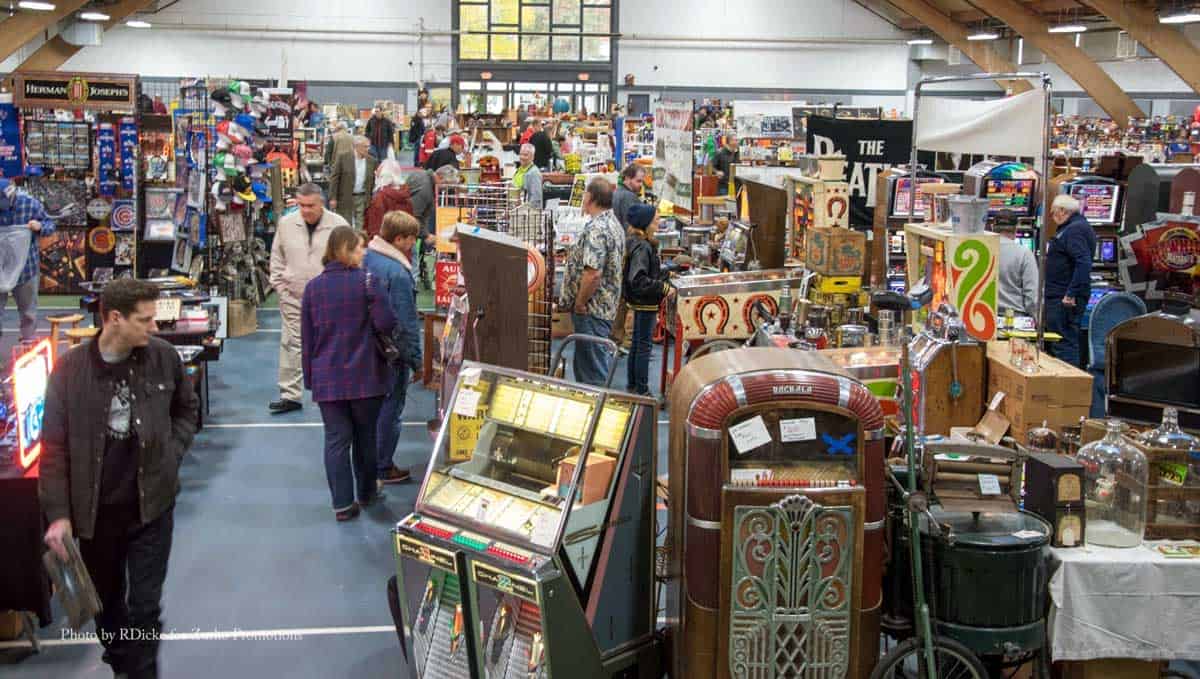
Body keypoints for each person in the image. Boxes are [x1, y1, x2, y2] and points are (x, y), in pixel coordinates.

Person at [41, 278, 199, 679]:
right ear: (114, 319)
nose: (155, 328)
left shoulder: (164, 359)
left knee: (145, 608)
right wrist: (59, 515)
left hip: (152, 506)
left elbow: (186, 410)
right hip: (97, 515)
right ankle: (122, 662)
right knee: (109, 605)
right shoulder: (69, 371)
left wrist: (171, 454)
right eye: (145, 320)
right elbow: (54, 448)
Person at [302, 227, 397, 521]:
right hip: (366, 375)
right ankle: (367, 493)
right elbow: (387, 323)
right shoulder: (369, 282)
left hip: (327, 378)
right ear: (345, 250)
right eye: (359, 248)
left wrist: (310, 379)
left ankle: (342, 505)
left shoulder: (313, 289)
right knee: (365, 438)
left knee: (336, 440)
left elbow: (307, 340)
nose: (364, 252)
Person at [268, 183, 348, 414]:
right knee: (291, 344)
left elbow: (349, 260)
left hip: (329, 300)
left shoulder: (339, 225)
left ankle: (333, 390)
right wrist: (281, 288)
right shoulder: (286, 224)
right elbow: (277, 257)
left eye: (310, 205)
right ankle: (290, 395)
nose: (305, 210)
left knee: (331, 344)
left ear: (321, 203)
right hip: (293, 296)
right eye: (301, 205)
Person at [364, 211, 423, 485]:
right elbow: (406, 322)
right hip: (392, 354)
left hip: (366, 349)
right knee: (391, 408)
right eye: (411, 239)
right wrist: (416, 361)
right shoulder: (398, 273)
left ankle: (367, 462)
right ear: (399, 239)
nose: (413, 244)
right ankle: (384, 466)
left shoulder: (367, 258)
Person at [559, 178, 625, 386]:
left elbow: (593, 274)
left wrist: (579, 302)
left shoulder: (598, 228)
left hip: (592, 310)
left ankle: (597, 413)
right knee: (589, 364)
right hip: (604, 307)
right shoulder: (614, 223)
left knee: (593, 371)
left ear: (590, 198)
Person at [623, 204, 670, 397]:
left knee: (637, 343)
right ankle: (641, 390)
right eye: (655, 219)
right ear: (646, 222)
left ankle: (633, 385)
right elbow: (639, 279)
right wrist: (664, 287)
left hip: (639, 302)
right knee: (643, 346)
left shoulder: (636, 241)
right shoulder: (643, 246)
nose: (658, 222)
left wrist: (666, 271)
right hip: (645, 302)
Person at [0, 179, 54, 346]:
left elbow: (50, 225)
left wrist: (39, 226)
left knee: (28, 312)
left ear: (11, 196)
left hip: (26, 268)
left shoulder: (30, 204)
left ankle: (28, 347)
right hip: (0, 269)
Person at [1044, 193, 1095, 367]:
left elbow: (1083, 262)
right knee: (1062, 341)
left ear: (1063, 211)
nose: (1052, 217)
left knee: (1063, 343)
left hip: (1064, 297)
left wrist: (1071, 293)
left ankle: (1068, 385)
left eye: (1053, 212)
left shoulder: (1074, 230)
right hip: (1062, 294)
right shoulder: (1077, 226)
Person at [407, 164, 461, 288]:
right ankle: (411, 291)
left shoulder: (422, 175)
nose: (446, 189)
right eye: (447, 185)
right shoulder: (425, 190)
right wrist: (425, 235)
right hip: (407, 229)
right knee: (412, 262)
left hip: (406, 225)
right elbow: (414, 216)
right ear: (440, 178)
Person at [328, 135, 378, 228]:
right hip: (345, 197)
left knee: (361, 225)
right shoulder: (343, 157)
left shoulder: (372, 161)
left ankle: (359, 241)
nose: (368, 149)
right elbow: (334, 178)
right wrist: (333, 197)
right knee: (345, 224)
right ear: (357, 146)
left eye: (368, 146)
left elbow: (374, 180)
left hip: (363, 197)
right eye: (365, 146)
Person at [365, 161, 415, 239]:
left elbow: (375, 228)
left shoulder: (380, 198)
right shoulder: (406, 196)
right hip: (404, 244)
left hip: (384, 245)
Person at [996, 224, 1039, 317]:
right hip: (1014, 317)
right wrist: (1034, 316)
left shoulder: (981, 250)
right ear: (1015, 230)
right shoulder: (1025, 253)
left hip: (983, 316)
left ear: (992, 228)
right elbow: (1032, 293)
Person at [514, 143, 544, 208]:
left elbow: (536, 199)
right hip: (515, 212)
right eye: (521, 154)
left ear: (532, 157)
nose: (522, 157)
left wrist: (524, 212)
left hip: (526, 214)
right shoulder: (519, 170)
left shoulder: (534, 173)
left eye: (525, 155)